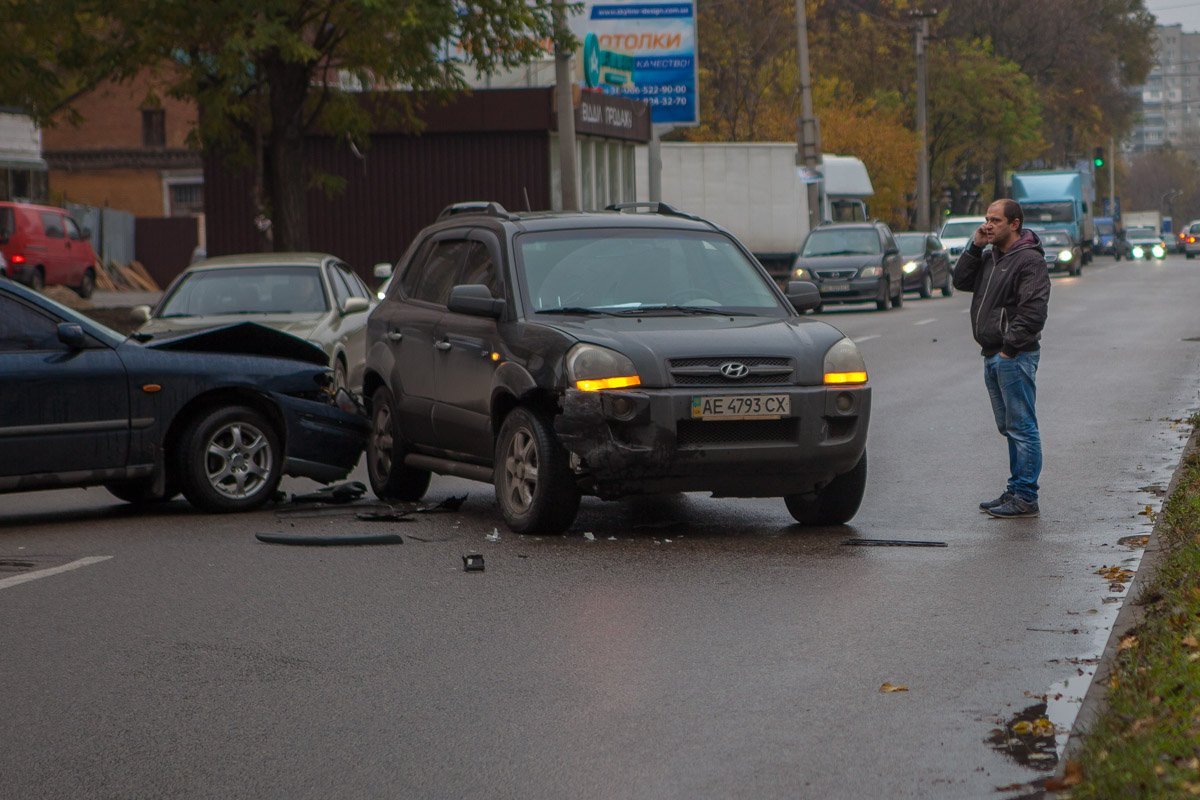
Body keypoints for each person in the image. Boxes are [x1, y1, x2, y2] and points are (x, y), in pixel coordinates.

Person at [952, 199, 1051, 518]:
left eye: (995, 220)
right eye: (986, 219)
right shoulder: (990, 257)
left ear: (1015, 224)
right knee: (1009, 426)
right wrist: (975, 246)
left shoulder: (1029, 260)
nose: (988, 225)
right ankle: (1016, 488)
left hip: (1014, 356)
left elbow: (1033, 312)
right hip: (993, 353)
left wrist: (1009, 349)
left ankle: (1026, 496)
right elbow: (960, 281)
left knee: (1022, 427)